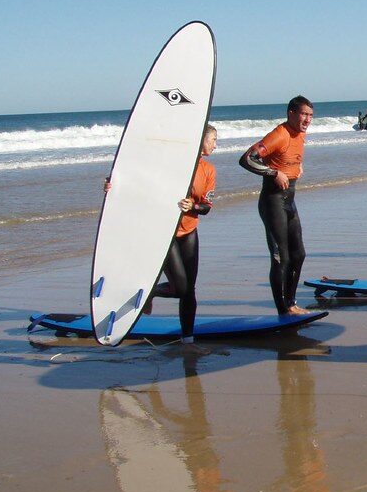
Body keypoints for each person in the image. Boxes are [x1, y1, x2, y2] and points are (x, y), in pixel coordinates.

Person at [108, 125, 217, 352]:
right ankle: (152, 291)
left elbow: (207, 207)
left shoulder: (208, 170)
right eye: (213, 139)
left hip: (189, 232)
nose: (215, 144)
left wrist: (194, 206)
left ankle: (188, 341)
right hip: (165, 234)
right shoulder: (173, 166)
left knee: (189, 290)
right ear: (200, 140)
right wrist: (114, 185)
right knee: (182, 289)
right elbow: (140, 182)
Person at [240, 96, 314, 315]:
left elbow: (289, 157)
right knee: (281, 257)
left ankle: (291, 303)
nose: (307, 119)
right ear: (291, 113)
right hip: (272, 201)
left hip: (289, 200)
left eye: (310, 115)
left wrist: (296, 168)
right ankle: (283, 310)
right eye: (303, 114)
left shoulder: (300, 133)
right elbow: (247, 159)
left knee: (298, 254)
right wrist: (273, 173)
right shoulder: (279, 134)